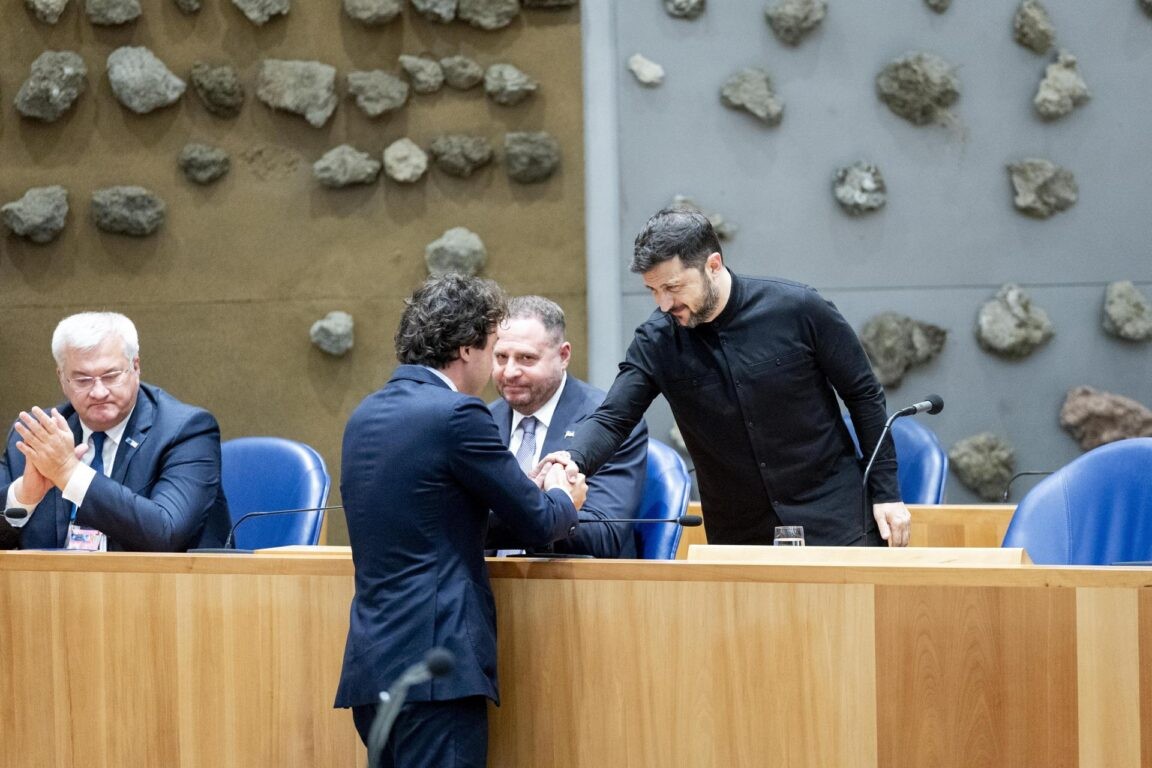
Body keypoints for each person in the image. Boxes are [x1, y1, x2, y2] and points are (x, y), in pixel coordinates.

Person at [334, 275, 586, 768]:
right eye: (493, 349)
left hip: (372, 664)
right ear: (468, 349)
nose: (495, 370)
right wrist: (564, 494)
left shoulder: (364, 415)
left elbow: (430, 510)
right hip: (437, 670)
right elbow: (540, 522)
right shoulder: (457, 415)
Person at [556, 207, 911, 547]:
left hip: (836, 518)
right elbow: (613, 418)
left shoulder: (799, 309)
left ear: (713, 265)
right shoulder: (657, 340)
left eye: (673, 287)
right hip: (739, 532)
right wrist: (570, 459)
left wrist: (886, 493)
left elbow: (863, 394)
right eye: (653, 291)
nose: (664, 304)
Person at [0, 312, 231, 551]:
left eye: (110, 376)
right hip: (53, 587)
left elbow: (167, 533)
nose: (99, 392)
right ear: (62, 378)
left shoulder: (185, 431)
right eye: (82, 380)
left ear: (135, 367)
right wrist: (24, 498)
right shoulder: (37, 436)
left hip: (163, 585)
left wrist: (69, 473)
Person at [486, 295, 648, 558]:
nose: (510, 372)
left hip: (574, 588)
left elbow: (603, 536)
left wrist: (534, 515)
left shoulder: (608, 424)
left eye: (527, 358)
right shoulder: (481, 421)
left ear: (563, 356)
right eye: (501, 357)